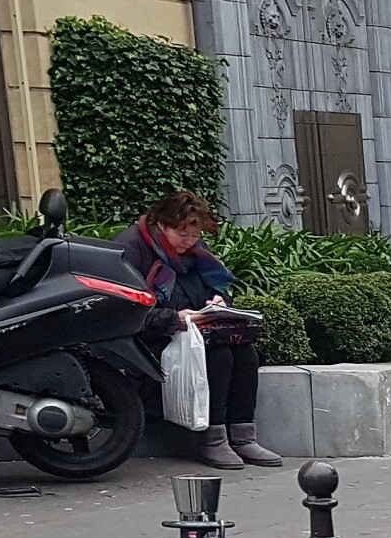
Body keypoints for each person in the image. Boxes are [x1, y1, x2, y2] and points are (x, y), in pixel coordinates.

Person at [114, 192, 279, 469]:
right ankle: (212, 439)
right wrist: (172, 319)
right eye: (182, 235)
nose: (190, 242)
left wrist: (219, 303)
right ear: (161, 224)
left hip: (198, 329)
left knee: (246, 353)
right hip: (152, 337)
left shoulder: (194, 250)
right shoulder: (129, 248)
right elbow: (124, 309)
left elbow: (218, 288)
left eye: (195, 235)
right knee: (219, 356)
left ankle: (242, 435)